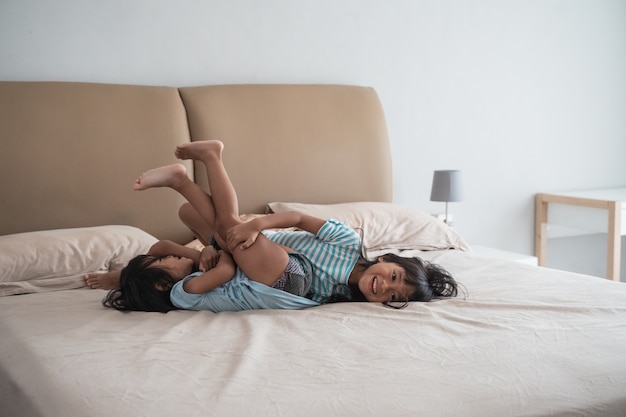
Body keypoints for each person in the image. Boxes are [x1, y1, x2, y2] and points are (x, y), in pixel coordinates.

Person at [90, 140, 458, 313]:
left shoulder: (353, 300)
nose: (385, 287)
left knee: (199, 218)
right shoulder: (348, 241)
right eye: (393, 276)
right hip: (275, 253)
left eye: (394, 296)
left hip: (279, 279)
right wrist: (257, 226)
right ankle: (210, 159)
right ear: (387, 259)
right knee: (218, 224)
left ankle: (182, 182)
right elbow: (297, 218)